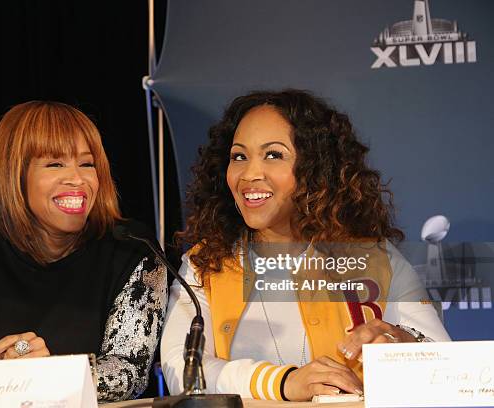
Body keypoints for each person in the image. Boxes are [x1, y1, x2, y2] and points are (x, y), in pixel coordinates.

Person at [161, 89, 450, 401]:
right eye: (239, 156)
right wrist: (282, 382)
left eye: (273, 155)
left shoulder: (375, 260)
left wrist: (402, 344)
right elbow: (183, 373)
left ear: (316, 169)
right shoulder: (205, 263)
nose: (249, 173)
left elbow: (447, 366)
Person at [0, 101, 167, 402]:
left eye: (86, 163)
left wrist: (44, 375)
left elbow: (129, 372)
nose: (77, 179)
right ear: (13, 174)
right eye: (55, 164)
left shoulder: (133, 248)